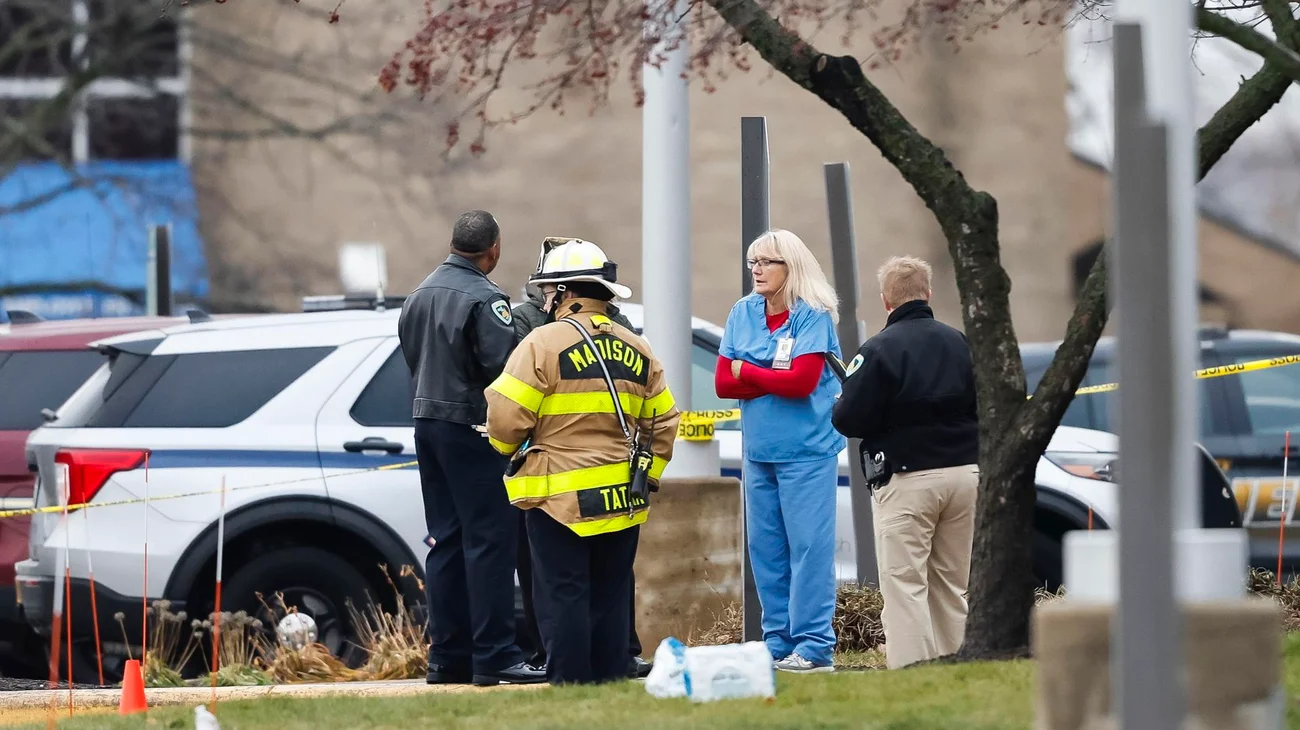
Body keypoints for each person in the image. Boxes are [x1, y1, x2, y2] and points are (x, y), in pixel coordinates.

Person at [485, 238, 681, 685]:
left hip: (560, 499)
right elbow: (664, 422)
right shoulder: (638, 347)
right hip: (621, 499)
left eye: (549, 292)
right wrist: (644, 477)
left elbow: (505, 417)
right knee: (612, 593)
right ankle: (611, 681)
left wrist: (507, 451)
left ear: (565, 293)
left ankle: (571, 686)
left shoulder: (542, 344)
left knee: (563, 593)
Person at [396, 210, 546, 687]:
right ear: (493, 249)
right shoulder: (486, 299)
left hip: (427, 423)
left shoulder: (418, 294)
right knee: (490, 541)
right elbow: (503, 372)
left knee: (445, 540)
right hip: (471, 429)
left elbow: (411, 355)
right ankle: (495, 654)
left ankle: (447, 656)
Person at [830, 255, 980, 670]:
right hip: (965, 473)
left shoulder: (878, 350)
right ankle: (961, 667)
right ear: (928, 293)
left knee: (905, 584)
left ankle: (914, 672)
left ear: (885, 301)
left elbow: (847, 418)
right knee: (951, 583)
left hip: (908, 478)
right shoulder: (959, 341)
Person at [714, 229, 845, 674]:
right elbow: (721, 383)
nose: (757, 269)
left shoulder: (813, 316)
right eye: (754, 261)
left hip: (807, 451)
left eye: (768, 262)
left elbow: (801, 383)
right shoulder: (742, 312)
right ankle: (777, 642)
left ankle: (813, 646)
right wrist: (768, 373)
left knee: (808, 548)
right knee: (766, 548)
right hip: (760, 452)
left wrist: (747, 369)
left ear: (792, 267)